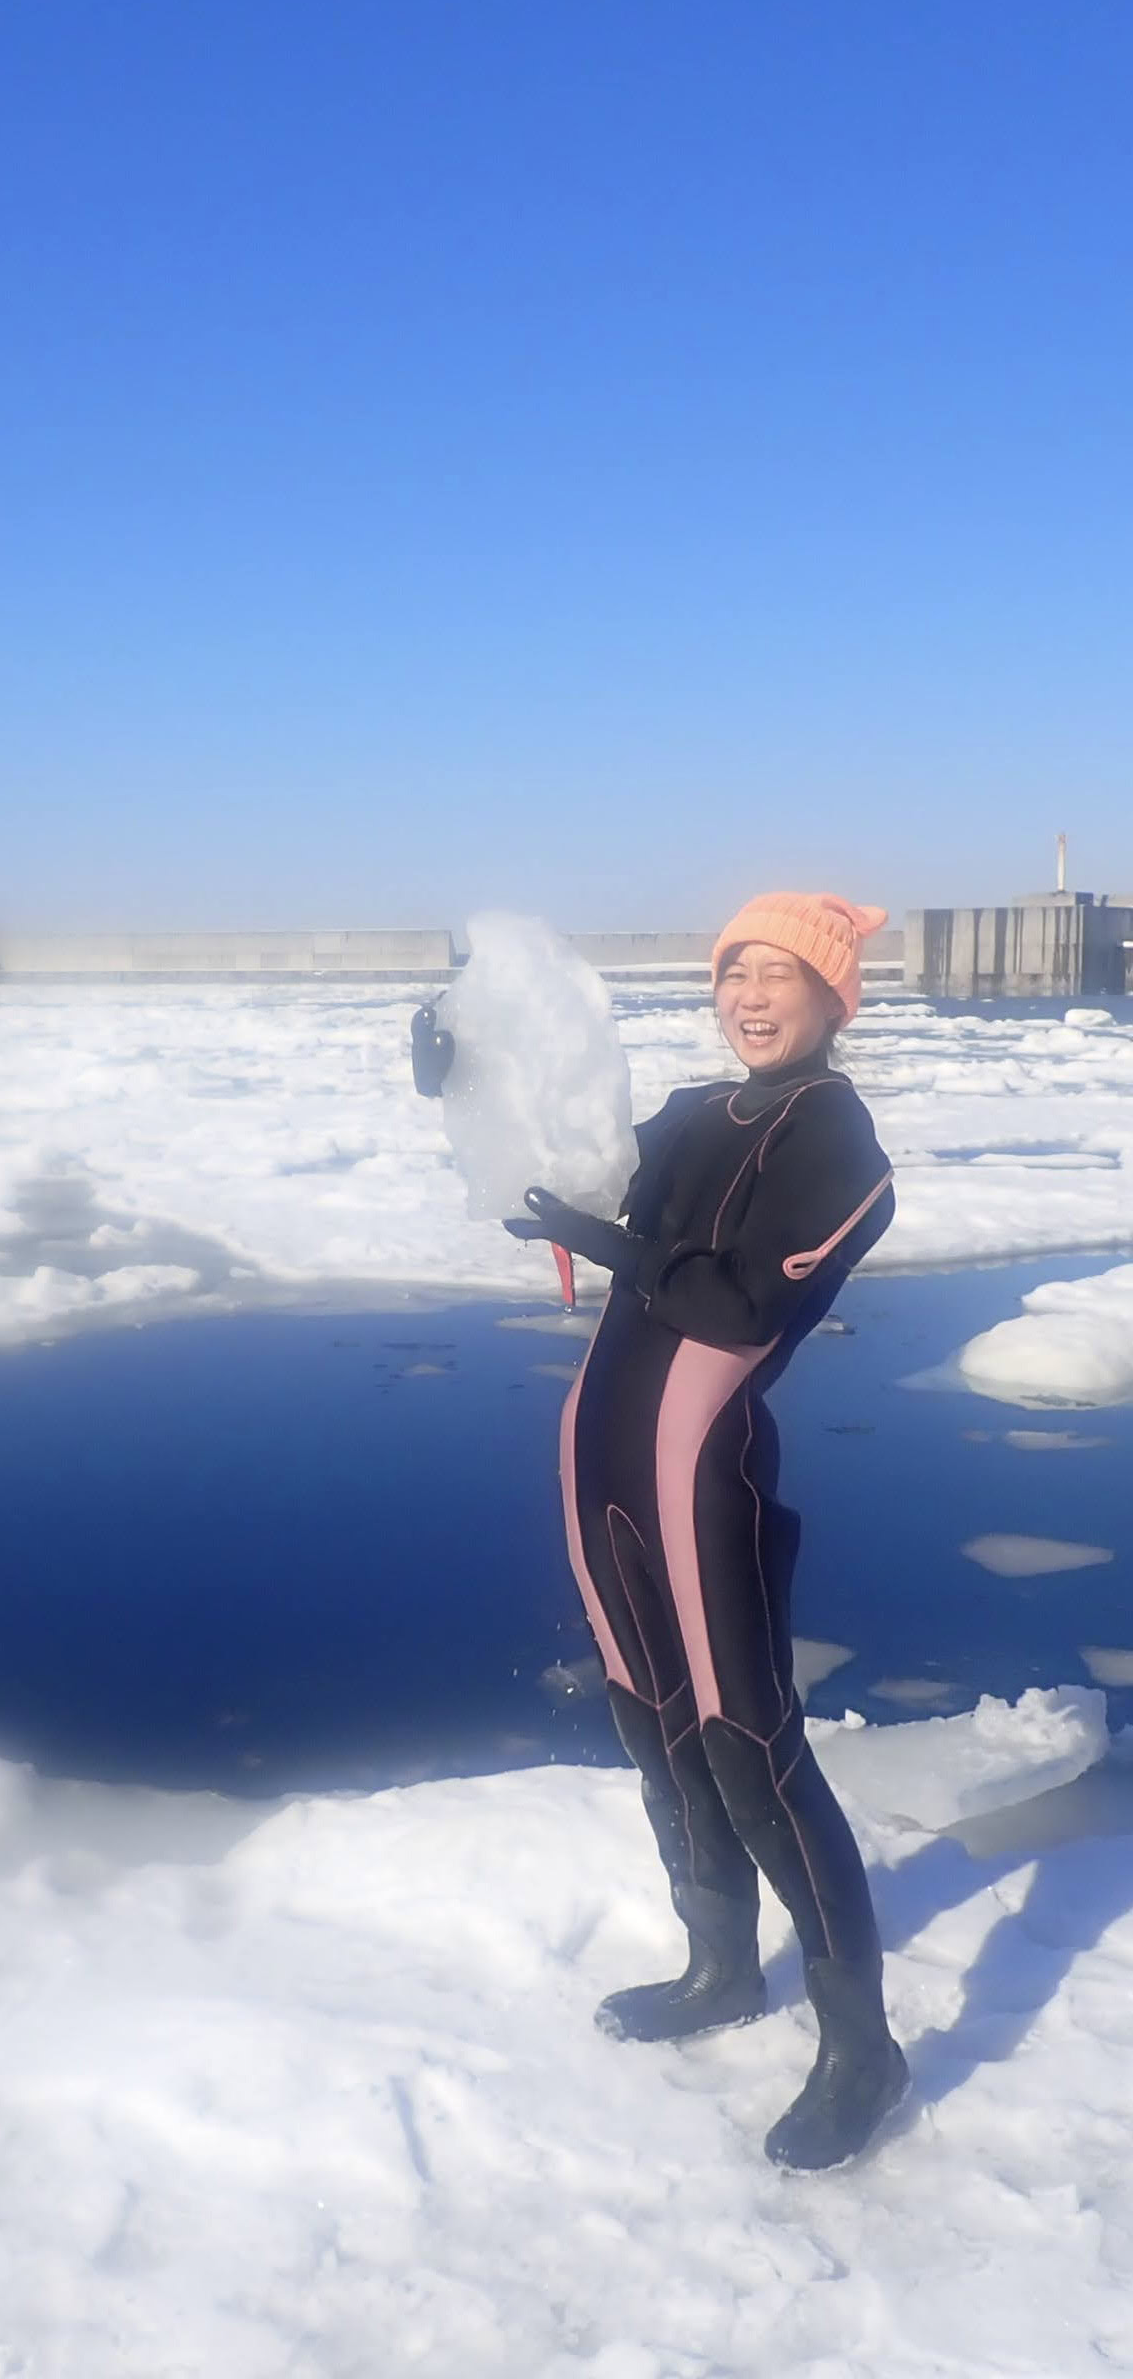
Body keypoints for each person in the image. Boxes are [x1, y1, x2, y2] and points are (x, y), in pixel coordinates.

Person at [448, 893, 907, 2170]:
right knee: (650, 1719)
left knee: (749, 1744)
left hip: (701, 1476)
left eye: (778, 975)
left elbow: (741, 1303)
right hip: (598, 1458)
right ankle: (720, 1967)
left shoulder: (839, 1138)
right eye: (732, 973)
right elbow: (577, 1165)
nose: (749, 997)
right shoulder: (699, 1114)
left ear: (831, 996)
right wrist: (466, 1068)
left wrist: (608, 1240)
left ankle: (862, 2049)